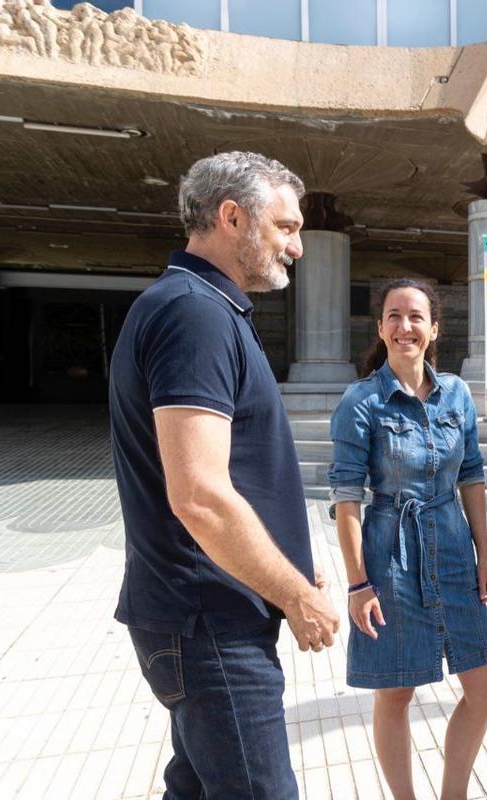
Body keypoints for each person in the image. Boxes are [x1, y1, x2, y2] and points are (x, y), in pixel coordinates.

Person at [109, 151, 340, 799]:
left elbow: (230, 475)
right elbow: (201, 495)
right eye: (286, 227)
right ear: (231, 216)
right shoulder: (195, 314)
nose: (297, 246)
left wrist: (291, 560)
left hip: (206, 620)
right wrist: (296, 594)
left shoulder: (204, 307)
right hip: (210, 624)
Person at [328, 278, 487, 800]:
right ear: (381, 328)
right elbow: (346, 498)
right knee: (396, 691)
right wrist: (358, 583)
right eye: (394, 316)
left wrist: (484, 554)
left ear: (434, 329)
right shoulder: (361, 402)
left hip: (451, 546)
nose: (405, 326)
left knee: (486, 685)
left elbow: (471, 473)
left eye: (415, 317)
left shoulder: (457, 393)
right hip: (391, 555)